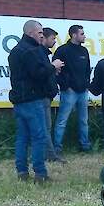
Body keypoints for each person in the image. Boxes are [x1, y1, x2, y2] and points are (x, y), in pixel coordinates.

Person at [8, 20, 64, 183]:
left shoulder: (16, 50)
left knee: (22, 137)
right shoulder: (31, 51)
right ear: (31, 33)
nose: (42, 36)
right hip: (33, 99)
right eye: (40, 33)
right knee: (39, 137)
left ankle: (22, 172)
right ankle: (40, 174)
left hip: (20, 100)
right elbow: (38, 73)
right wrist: (53, 66)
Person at [52, 24, 92, 154]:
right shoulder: (62, 50)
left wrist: (86, 84)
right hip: (69, 92)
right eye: (82, 34)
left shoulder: (84, 51)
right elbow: (56, 70)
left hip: (82, 91)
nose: (84, 36)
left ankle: (85, 146)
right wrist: (65, 86)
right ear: (74, 35)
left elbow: (87, 70)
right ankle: (57, 147)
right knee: (62, 120)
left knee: (84, 120)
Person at [40, 27, 62, 163]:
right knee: (45, 127)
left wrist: (53, 72)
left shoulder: (43, 54)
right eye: (53, 38)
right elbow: (39, 74)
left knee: (45, 127)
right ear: (45, 38)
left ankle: (44, 154)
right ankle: (51, 156)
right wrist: (52, 67)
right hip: (42, 96)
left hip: (46, 95)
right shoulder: (40, 54)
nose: (54, 42)